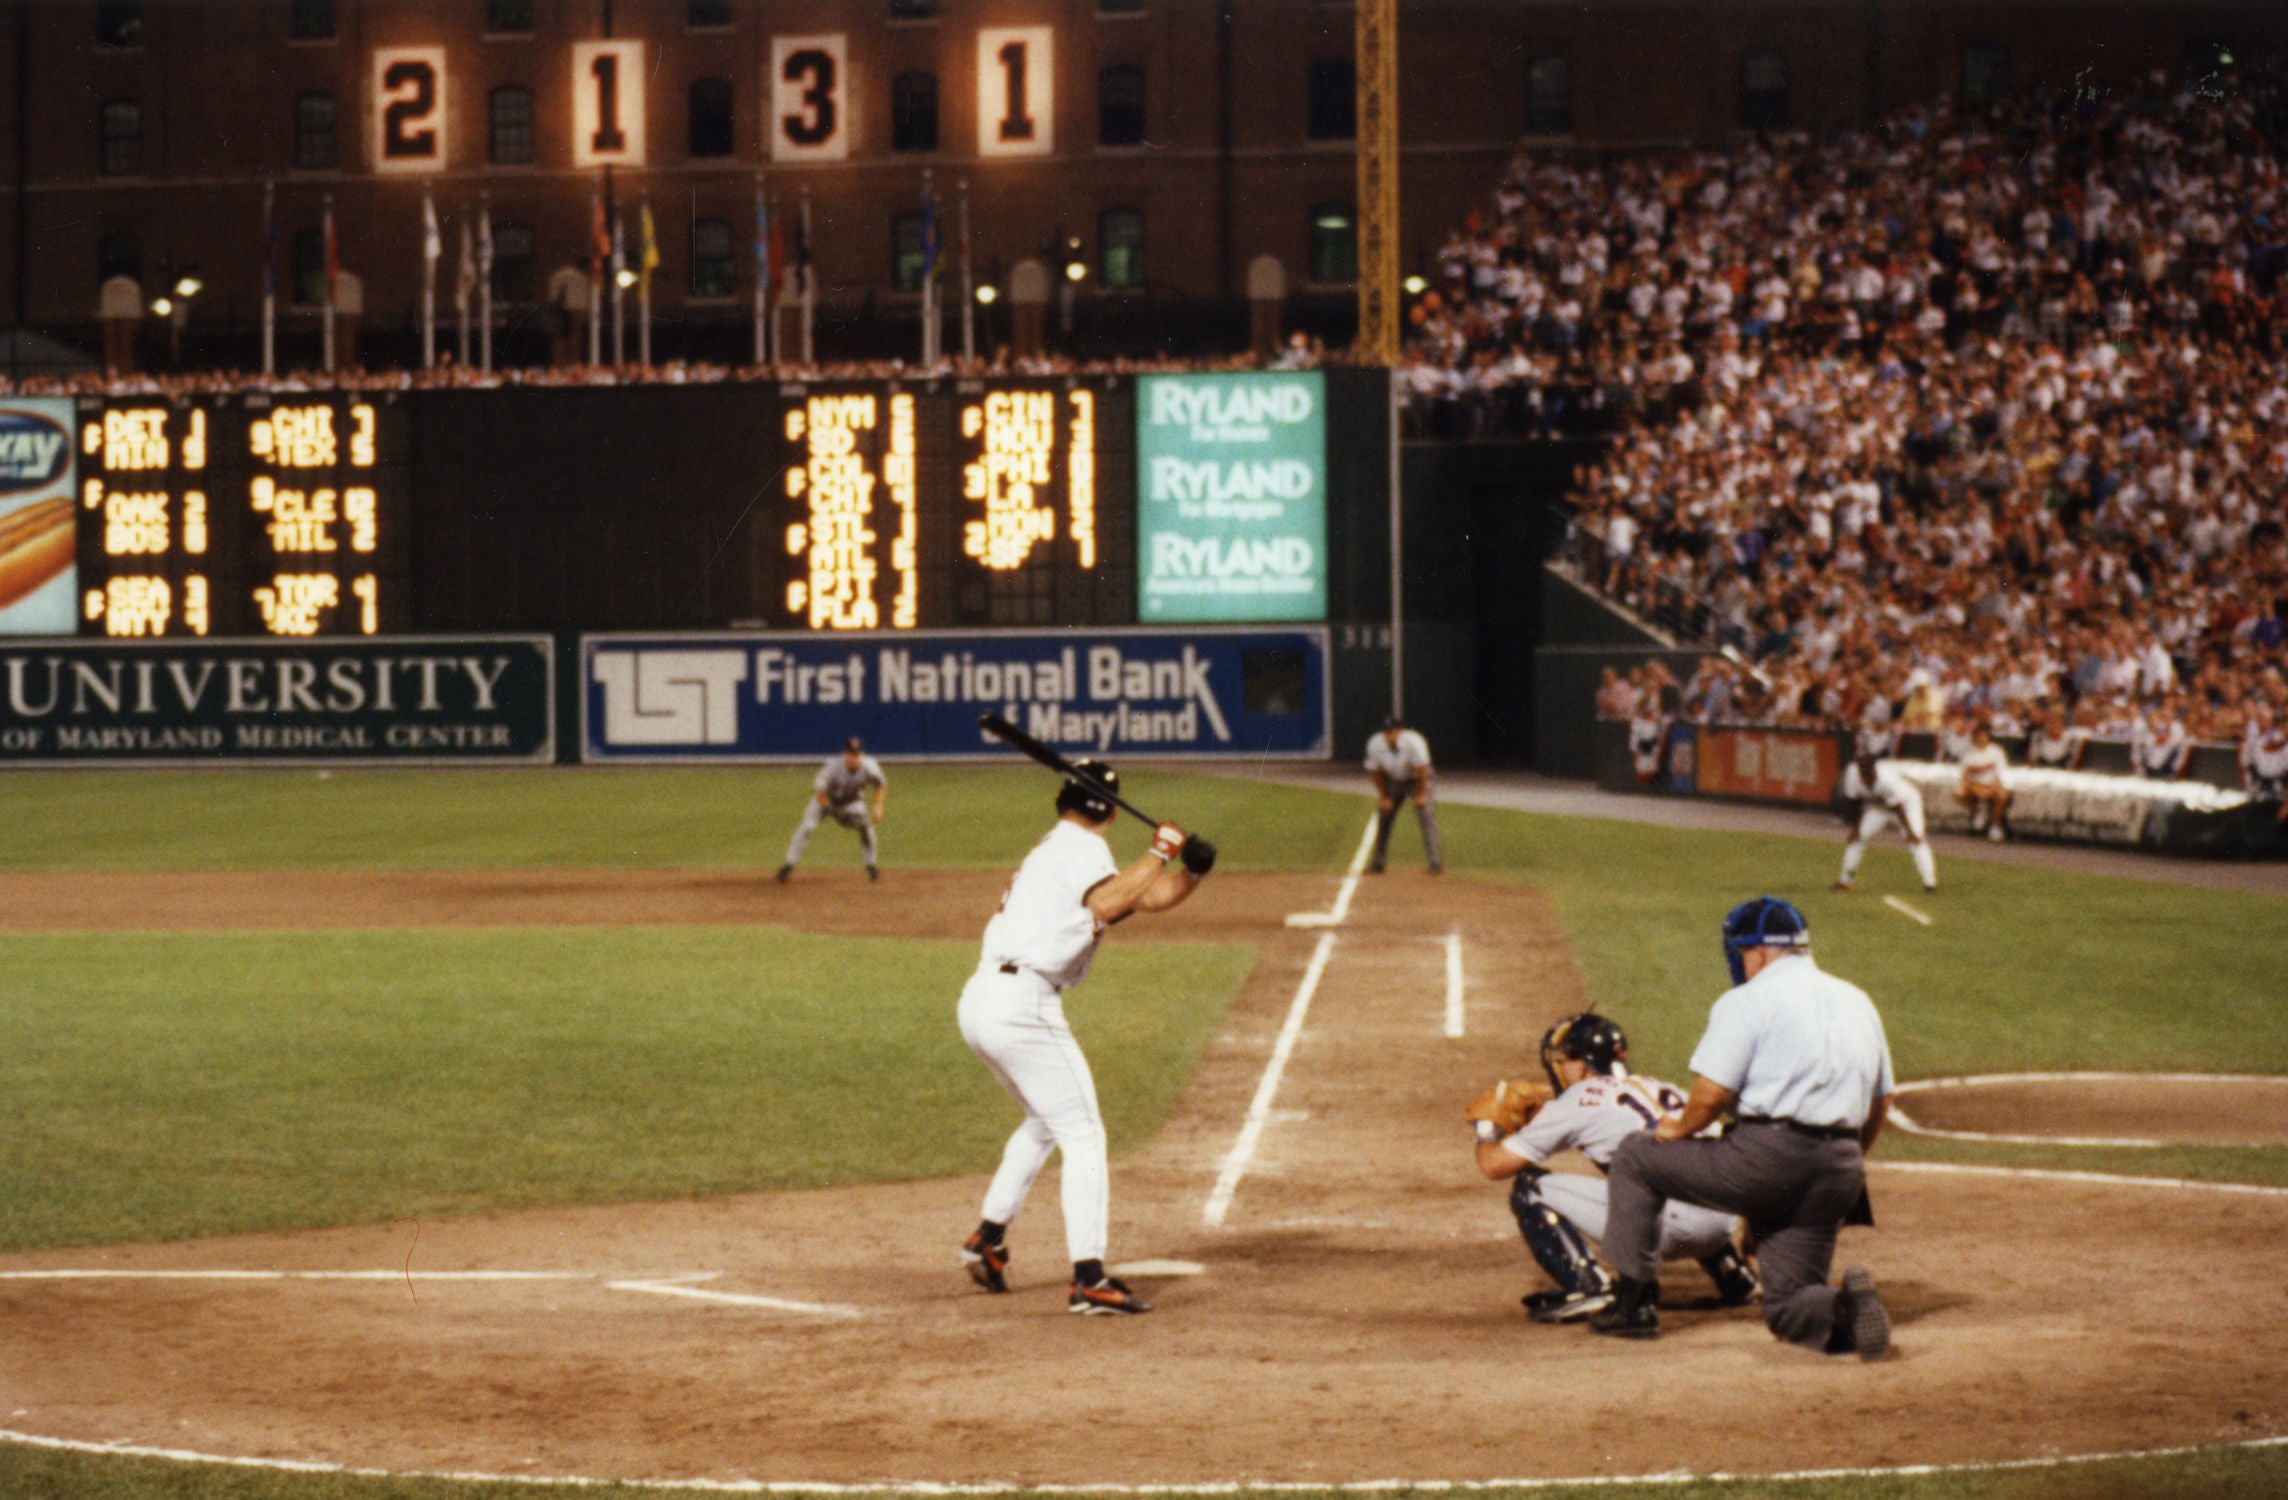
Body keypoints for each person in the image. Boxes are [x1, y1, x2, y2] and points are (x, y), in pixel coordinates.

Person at [956, 760, 1215, 1315]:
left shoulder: (1060, 848)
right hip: (1023, 1006)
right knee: (1084, 1134)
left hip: (984, 1000)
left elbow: (1142, 896)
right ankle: (1089, 1278)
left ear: (1061, 796)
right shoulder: (1081, 849)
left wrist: (1190, 873)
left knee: (1046, 1121)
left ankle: (988, 1238)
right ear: (1112, 810)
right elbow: (1108, 902)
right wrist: (1162, 850)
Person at [1587, 897, 1895, 1359]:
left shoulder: (1747, 1000)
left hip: (1766, 1159)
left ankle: (1633, 1307)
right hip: (1841, 1168)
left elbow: (1710, 1097)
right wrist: (1848, 1162)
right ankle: (1847, 1309)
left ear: (1758, 952)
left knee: (1635, 1155)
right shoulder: (1857, 999)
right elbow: (1882, 1100)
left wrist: (1676, 1130)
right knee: (1788, 1307)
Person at [1473, 1013, 1761, 1325]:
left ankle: (1589, 1287)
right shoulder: (1665, 1089)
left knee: (1530, 1187)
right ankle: (1734, 1276)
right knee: (1673, 1170)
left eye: (1563, 1060)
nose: (1558, 1068)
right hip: (1724, 1224)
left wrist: (1487, 1128)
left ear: (1581, 1064)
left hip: (1671, 1229)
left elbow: (1494, 1165)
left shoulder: (1578, 1099)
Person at [777, 737, 887, 883]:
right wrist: (831, 809)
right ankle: (788, 865)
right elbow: (819, 792)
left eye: (857, 754)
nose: (854, 757)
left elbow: (880, 785)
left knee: (865, 827)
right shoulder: (833, 766)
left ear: (861, 754)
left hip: (852, 802)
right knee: (807, 827)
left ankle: (871, 866)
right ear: (845, 754)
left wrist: (878, 806)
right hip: (825, 800)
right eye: (851, 753)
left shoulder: (869, 765)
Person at [1835, 749, 1937, 893]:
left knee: (1916, 839)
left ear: (1874, 769)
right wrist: (1856, 828)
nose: (1866, 779)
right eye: (1863, 775)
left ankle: (1930, 883)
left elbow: (1897, 808)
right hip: (1878, 805)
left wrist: (1909, 832)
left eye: (1869, 774)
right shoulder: (1852, 775)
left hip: (1906, 803)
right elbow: (1855, 803)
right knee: (1857, 839)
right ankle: (1845, 882)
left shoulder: (1886, 779)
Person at [1365, 716, 1442, 874]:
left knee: (1426, 815)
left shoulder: (1414, 742)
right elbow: (1375, 772)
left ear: (1399, 731)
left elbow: (1423, 770)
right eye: (1386, 732)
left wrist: (1421, 794)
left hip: (1418, 780)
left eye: (1392, 732)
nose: (1389, 735)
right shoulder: (1375, 744)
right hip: (1393, 781)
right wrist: (1384, 797)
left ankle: (1435, 863)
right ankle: (1378, 863)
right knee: (1384, 815)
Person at [1954, 721, 2011, 842]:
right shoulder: (1968, 751)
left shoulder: (1997, 751)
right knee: (1959, 793)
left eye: (1984, 736)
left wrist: (1995, 784)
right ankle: (1980, 811)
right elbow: (1967, 770)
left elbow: (2001, 770)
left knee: (2002, 795)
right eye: (1978, 736)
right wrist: (1984, 768)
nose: (1981, 738)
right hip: (1974, 785)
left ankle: (1995, 826)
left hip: (1992, 784)